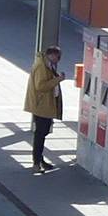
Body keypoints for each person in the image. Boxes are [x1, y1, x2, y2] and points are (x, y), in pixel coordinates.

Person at [23, 45, 65, 173]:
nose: (59, 60)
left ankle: (40, 160)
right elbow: (41, 86)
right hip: (41, 106)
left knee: (43, 132)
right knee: (40, 134)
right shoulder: (42, 67)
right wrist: (58, 79)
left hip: (44, 105)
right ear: (51, 55)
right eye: (58, 58)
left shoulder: (46, 65)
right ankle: (36, 162)